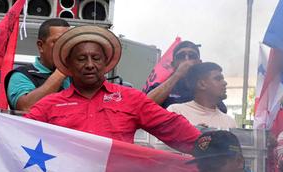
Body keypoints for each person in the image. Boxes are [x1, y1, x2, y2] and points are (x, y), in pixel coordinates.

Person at [22, 26, 200, 154]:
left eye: (96, 58)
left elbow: (171, 126)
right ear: (68, 64)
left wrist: (211, 146)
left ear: (106, 63)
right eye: (82, 58)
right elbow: (17, 134)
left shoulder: (131, 98)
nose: (90, 65)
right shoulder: (49, 105)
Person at [4, 18, 71, 111]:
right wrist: (60, 73)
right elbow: (26, 107)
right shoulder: (21, 75)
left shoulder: (77, 75)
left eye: (67, 42)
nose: (63, 47)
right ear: (40, 46)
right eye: (57, 42)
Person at [145, 41, 227, 113]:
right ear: (173, 64)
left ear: (199, 62)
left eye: (192, 56)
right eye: (181, 56)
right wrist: (177, 75)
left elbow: (220, 112)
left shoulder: (207, 87)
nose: (186, 60)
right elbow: (144, 105)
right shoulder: (161, 87)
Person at [166, 62, 237, 130]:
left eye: (223, 79)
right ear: (201, 84)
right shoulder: (176, 112)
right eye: (218, 79)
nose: (225, 83)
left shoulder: (229, 122)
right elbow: (159, 142)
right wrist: (192, 134)